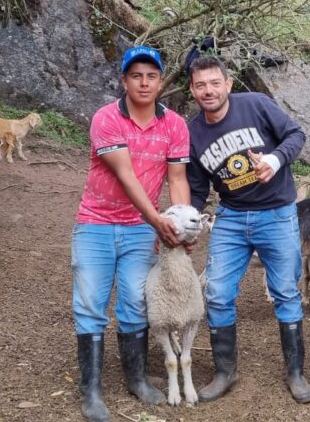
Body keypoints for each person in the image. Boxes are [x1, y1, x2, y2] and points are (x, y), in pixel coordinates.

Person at [71, 46, 191, 422]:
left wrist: (182, 225)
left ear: (160, 82)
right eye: (136, 75)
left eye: (151, 76)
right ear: (124, 80)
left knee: (136, 304)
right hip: (96, 224)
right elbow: (125, 175)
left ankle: (137, 379)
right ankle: (91, 391)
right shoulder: (106, 119)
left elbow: (177, 178)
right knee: (90, 304)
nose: (144, 82)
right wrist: (159, 220)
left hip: (140, 229)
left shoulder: (175, 125)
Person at [186, 55, 310, 404]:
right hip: (231, 218)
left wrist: (274, 160)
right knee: (216, 293)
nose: (208, 91)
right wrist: (188, 222)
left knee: (286, 292)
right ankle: (225, 372)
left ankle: (295, 372)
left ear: (228, 84)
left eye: (215, 83)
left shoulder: (255, 105)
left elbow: (296, 134)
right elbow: (198, 188)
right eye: (201, 85)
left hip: (276, 214)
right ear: (192, 90)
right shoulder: (193, 133)